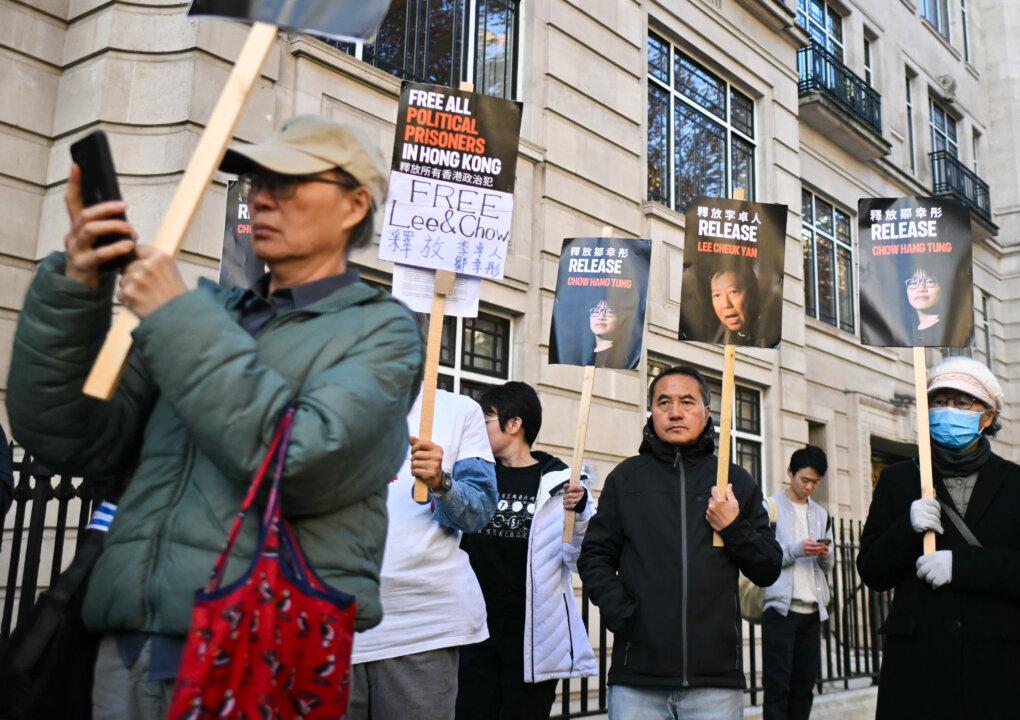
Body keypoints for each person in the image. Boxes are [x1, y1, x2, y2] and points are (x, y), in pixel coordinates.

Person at [5, 115, 424, 719]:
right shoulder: (210, 315)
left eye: (288, 182)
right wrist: (76, 286)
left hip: (257, 652)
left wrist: (176, 317)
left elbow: (298, 460)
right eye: (256, 182)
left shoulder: (383, 332)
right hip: (126, 646)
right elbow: (67, 435)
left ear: (354, 204)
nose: (262, 198)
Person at [856, 357, 1020, 720]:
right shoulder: (898, 480)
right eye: (939, 401)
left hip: (1001, 671)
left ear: (986, 416)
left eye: (962, 402)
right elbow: (872, 571)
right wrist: (906, 528)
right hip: (919, 669)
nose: (948, 411)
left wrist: (963, 565)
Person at [578, 365, 782, 720]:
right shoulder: (626, 478)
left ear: (707, 412)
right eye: (663, 402)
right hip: (637, 679)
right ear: (651, 412)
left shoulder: (734, 481)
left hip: (715, 682)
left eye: (688, 402)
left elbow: (768, 567)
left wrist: (732, 526)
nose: (675, 412)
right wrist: (624, 614)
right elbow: (594, 556)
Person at [349, 383, 498, 720]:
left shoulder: (460, 410)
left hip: (422, 629)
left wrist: (441, 484)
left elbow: (479, 511)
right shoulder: (320, 402)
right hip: (330, 624)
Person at [456, 381, 598, 719]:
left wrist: (579, 513)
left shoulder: (560, 484)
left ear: (515, 424)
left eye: (486, 419)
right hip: (473, 629)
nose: (478, 428)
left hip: (532, 637)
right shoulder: (474, 477)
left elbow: (580, 557)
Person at [761, 446, 834, 720]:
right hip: (780, 610)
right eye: (804, 480)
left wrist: (824, 553)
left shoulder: (821, 514)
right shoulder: (770, 507)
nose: (809, 487)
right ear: (790, 473)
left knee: (805, 687)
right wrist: (796, 550)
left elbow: (829, 566)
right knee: (777, 686)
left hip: (813, 611)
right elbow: (763, 558)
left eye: (815, 482)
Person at [708, 265, 777, 348]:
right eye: (717, 295)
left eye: (733, 292)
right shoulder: (717, 338)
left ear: (752, 293)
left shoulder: (774, 337)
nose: (726, 304)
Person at [586, 291, 641, 369]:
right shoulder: (582, 354)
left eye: (609, 311)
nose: (601, 317)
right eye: (596, 311)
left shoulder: (626, 357)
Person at [905, 267, 945, 346]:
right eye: (913, 282)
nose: (921, 289)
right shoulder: (905, 333)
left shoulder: (951, 330)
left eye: (929, 281)